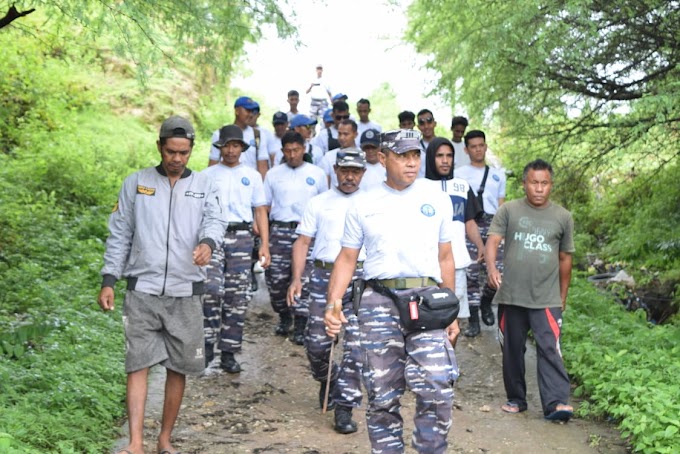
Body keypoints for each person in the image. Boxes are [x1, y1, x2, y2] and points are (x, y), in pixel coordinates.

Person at [325, 129, 460, 454]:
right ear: (383, 159)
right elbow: (347, 258)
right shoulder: (364, 203)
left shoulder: (436, 199)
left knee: (437, 385)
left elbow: (445, 257)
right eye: (402, 156)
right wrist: (333, 305)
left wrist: (452, 313)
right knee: (382, 393)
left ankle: (430, 448)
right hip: (378, 304)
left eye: (415, 155)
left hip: (427, 303)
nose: (411, 163)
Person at [98, 116, 226, 454]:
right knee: (137, 363)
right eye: (171, 151)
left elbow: (215, 220)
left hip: (186, 291)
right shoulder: (136, 183)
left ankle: (164, 439)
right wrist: (109, 279)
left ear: (191, 151)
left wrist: (209, 243)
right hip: (142, 289)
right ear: (159, 147)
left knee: (178, 366)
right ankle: (135, 442)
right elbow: (120, 234)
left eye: (184, 153)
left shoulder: (204, 185)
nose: (177, 159)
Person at [485, 159, 575, 422]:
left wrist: (563, 295)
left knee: (549, 348)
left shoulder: (562, 216)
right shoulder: (509, 210)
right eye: (533, 183)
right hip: (512, 294)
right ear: (524, 183)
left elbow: (565, 259)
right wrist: (491, 268)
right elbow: (493, 241)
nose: (538, 188)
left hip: (546, 297)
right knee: (512, 349)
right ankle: (516, 398)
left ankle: (556, 403)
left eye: (544, 183)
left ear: (551, 185)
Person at [287, 149, 367, 434]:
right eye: (345, 170)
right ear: (335, 170)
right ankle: (327, 380)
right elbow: (302, 242)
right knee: (317, 344)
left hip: (361, 279)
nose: (349, 176)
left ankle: (344, 408)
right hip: (322, 277)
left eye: (355, 171)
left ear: (363, 173)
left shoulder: (372, 204)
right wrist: (297, 279)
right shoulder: (319, 203)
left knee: (356, 349)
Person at [201, 125, 271, 373]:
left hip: (242, 237)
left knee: (236, 295)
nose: (230, 151)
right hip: (213, 235)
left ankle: (229, 351)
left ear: (242, 148)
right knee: (210, 288)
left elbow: (260, 209)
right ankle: (207, 343)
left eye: (235, 146)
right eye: (226, 146)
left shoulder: (251, 175)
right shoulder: (206, 175)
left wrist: (264, 244)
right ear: (219, 147)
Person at [264, 131, 328, 343]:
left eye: (296, 150)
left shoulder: (317, 173)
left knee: (304, 277)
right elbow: (264, 206)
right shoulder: (273, 174)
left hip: (308, 232)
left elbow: (323, 206)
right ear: (282, 151)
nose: (292, 155)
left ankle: (301, 323)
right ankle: (284, 316)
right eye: (288, 151)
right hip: (280, 230)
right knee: (276, 278)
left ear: (304, 149)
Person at [424, 137, 485, 326]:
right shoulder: (419, 188)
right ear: (430, 158)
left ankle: (449, 355)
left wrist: (480, 245)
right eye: (440, 156)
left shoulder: (462, 186)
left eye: (449, 156)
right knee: (427, 315)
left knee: (453, 319)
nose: (445, 160)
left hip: (457, 262)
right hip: (427, 264)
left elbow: (469, 221)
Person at [457, 130, 507, 337]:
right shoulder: (459, 174)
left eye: (481, 145)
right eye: (473, 146)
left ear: (486, 146)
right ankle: (474, 319)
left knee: (498, 271)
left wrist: (503, 230)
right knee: (471, 273)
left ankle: (487, 301)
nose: (478, 149)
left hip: (494, 223)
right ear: (466, 149)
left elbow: (501, 205)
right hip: (471, 223)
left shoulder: (498, 174)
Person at [208, 96, 269, 180]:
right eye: (247, 111)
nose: (251, 115)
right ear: (237, 111)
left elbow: (262, 165)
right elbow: (213, 162)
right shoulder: (219, 134)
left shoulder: (258, 135)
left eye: (252, 111)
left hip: (249, 185)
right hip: (224, 182)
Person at [320, 119, 358, 188]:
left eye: (345, 134)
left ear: (355, 134)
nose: (341, 137)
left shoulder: (363, 156)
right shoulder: (329, 157)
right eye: (339, 134)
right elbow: (325, 184)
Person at [416, 109, 437, 177]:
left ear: (435, 123)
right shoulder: (414, 147)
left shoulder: (444, 146)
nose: (426, 126)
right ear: (418, 127)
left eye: (429, 122)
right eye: (422, 123)